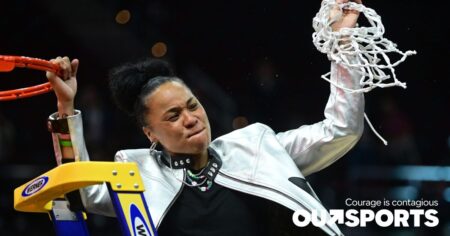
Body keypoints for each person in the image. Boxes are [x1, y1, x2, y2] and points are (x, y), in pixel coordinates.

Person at [45, 0, 364, 235]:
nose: (191, 118)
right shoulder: (135, 174)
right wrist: (65, 105)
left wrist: (343, 44)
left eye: (193, 106)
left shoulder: (256, 146)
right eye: (173, 115)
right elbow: (80, 192)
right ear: (150, 133)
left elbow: (341, 130)